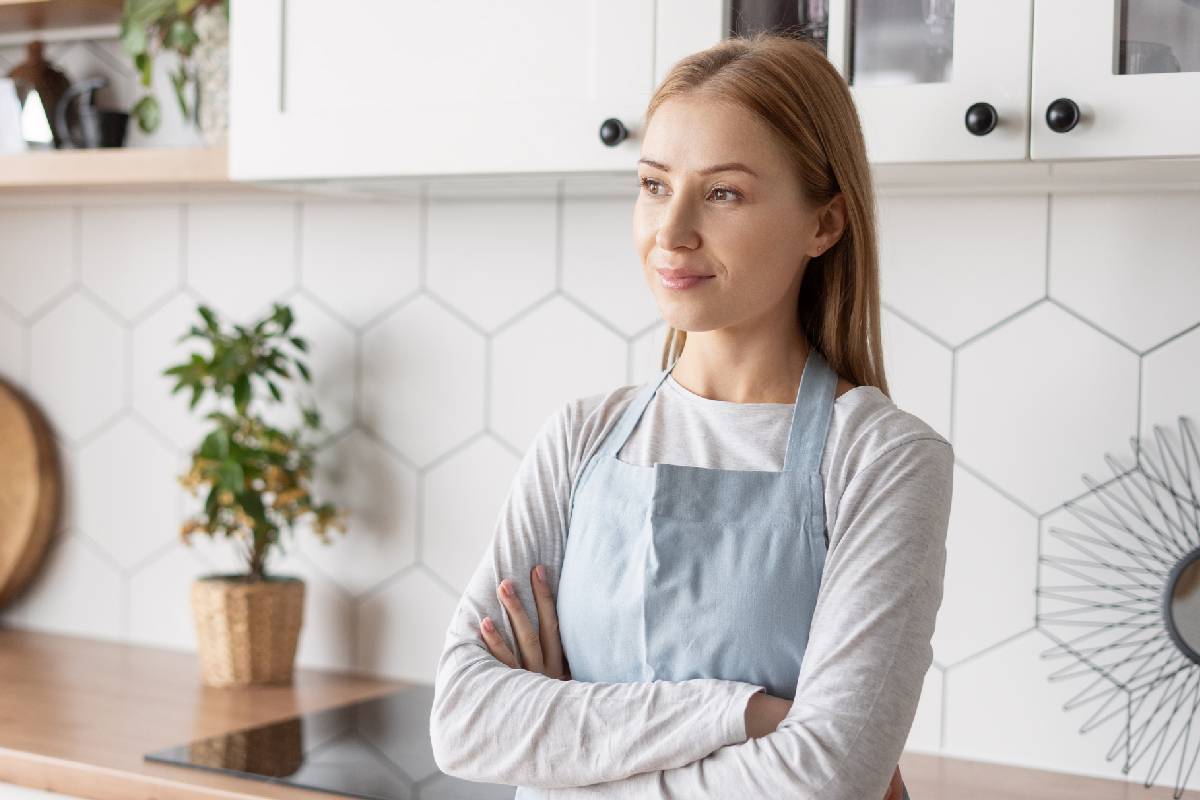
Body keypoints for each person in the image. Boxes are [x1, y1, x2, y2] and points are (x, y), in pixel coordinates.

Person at [429, 32, 953, 800]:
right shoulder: (581, 439)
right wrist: (744, 715)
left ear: (825, 224)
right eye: (652, 184)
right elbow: (466, 721)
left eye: (723, 193)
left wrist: (567, 744)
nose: (670, 233)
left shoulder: (881, 458)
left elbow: (826, 778)